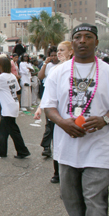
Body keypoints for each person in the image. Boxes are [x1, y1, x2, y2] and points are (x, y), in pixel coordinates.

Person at [41, 23, 109, 216]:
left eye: (88, 36)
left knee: (95, 199)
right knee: (71, 199)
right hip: (67, 148)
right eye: (78, 36)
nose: (83, 40)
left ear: (96, 42)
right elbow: (49, 105)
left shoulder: (108, 72)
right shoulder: (58, 72)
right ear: (73, 42)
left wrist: (104, 119)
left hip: (100, 148)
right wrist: (63, 122)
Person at [34, 41, 73, 183]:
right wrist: (40, 108)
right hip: (55, 113)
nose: (59, 53)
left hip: (71, 114)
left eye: (62, 50)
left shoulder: (75, 69)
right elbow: (48, 93)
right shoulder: (54, 69)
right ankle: (57, 173)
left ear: (71, 51)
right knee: (56, 141)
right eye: (58, 50)